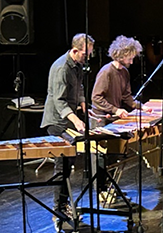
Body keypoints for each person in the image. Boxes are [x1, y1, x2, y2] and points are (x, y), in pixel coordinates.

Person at [40, 33, 95, 228]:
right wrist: (76, 121)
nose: (87, 58)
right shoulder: (61, 68)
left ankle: (64, 204)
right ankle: (58, 210)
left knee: (69, 160)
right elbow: (59, 101)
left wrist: (82, 103)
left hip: (69, 119)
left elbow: (79, 86)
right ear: (74, 51)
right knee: (62, 162)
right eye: (85, 54)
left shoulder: (77, 65)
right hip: (56, 121)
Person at [90, 35, 151, 197]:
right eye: (130, 57)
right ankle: (100, 190)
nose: (132, 61)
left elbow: (127, 97)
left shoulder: (124, 72)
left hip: (113, 119)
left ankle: (109, 187)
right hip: (101, 120)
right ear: (122, 54)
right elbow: (96, 98)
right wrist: (115, 110)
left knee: (113, 156)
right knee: (101, 157)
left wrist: (141, 107)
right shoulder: (106, 72)